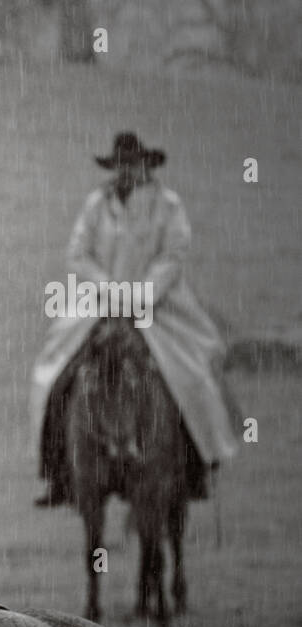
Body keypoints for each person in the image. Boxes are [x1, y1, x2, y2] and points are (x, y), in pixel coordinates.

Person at [32, 132, 239, 507]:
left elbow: (173, 256)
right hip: (100, 303)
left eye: (133, 164)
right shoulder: (97, 204)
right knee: (54, 371)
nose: (127, 171)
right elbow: (78, 255)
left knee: (191, 374)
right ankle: (58, 470)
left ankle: (196, 466)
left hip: (159, 306)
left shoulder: (168, 205)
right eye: (121, 165)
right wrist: (111, 290)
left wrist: (141, 295)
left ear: (146, 165)